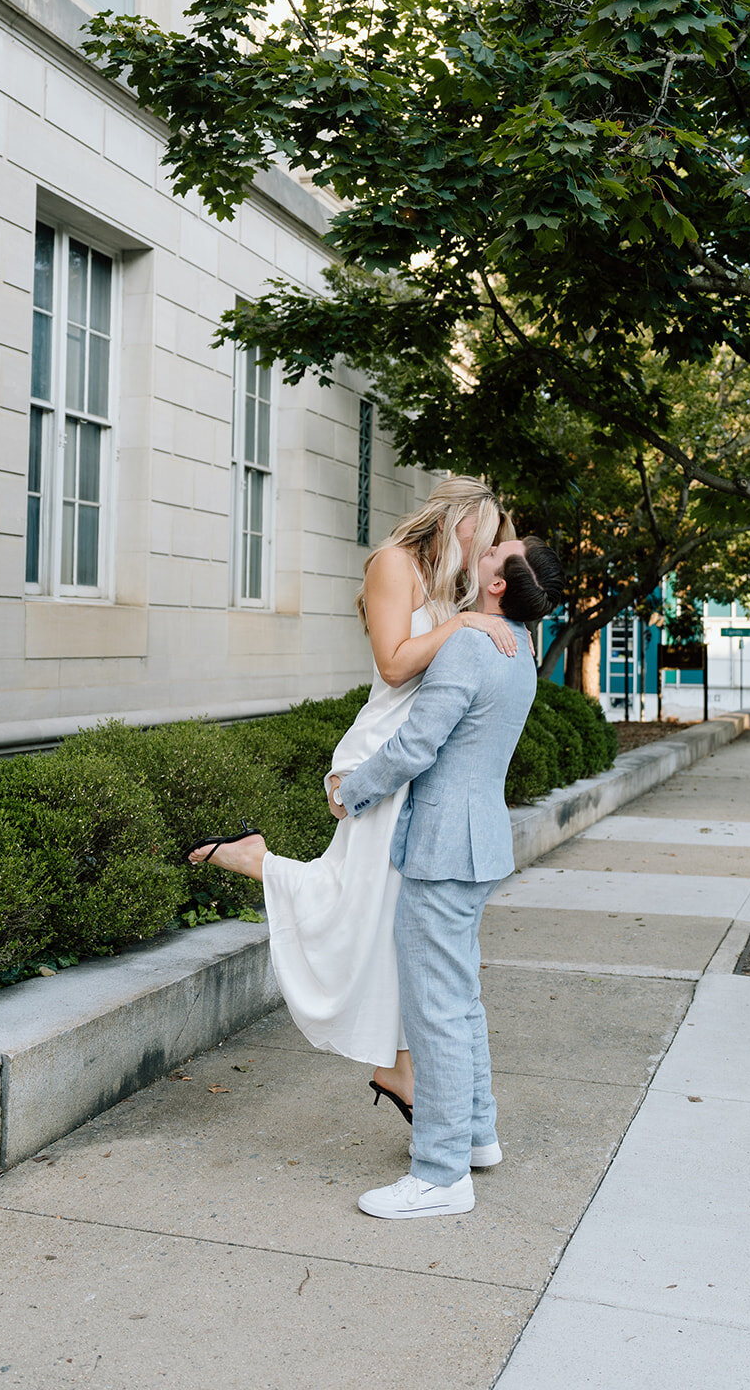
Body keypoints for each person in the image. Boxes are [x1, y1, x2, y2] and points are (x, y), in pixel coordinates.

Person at [185, 478, 517, 1115]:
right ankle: (255, 862)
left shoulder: (458, 584)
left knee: (394, 918)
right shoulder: (394, 564)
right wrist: (468, 623)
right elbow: (393, 664)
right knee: (362, 905)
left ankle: (399, 1067)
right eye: (490, 528)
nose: (495, 542)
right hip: (385, 755)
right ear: (458, 519)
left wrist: (481, 616)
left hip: (427, 757)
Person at [331, 537, 566, 1219]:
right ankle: (476, 1134)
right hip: (476, 840)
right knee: (458, 998)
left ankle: (439, 1175)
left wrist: (353, 790)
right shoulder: (517, 644)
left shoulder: (472, 646)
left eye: (499, 552)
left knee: (436, 1008)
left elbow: (416, 745)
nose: (489, 548)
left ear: (497, 585)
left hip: (442, 845)